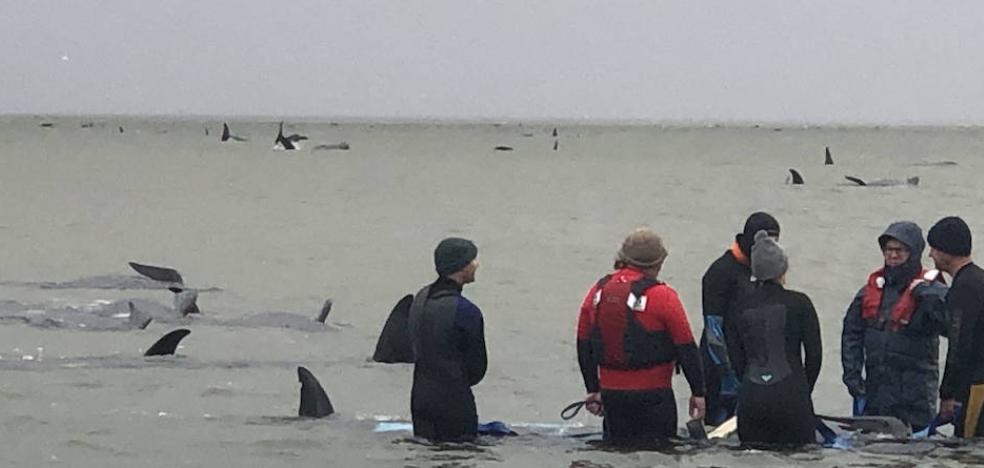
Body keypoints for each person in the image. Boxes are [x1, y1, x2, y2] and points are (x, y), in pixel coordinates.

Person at [576, 227, 705, 444]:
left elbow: (583, 344)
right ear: (658, 263)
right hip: (655, 399)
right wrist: (698, 393)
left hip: (612, 400)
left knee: (615, 454)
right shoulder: (663, 296)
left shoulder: (597, 292)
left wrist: (592, 389)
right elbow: (686, 347)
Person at [840, 221, 947, 430]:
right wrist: (852, 374)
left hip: (915, 395)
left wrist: (928, 296)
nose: (893, 255)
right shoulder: (868, 291)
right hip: (876, 390)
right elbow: (851, 334)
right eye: (889, 250)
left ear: (913, 253)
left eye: (900, 250)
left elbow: (952, 323)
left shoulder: (931, 289)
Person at [727, 230, 822, 447]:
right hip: (792, 397)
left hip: (752, 398)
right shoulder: (800, 303)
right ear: (783, 269)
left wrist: (749, 385)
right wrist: (803, 391)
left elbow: (736, 358)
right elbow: (815, 355)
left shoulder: (738, 306)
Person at [700, 211, 781, 425]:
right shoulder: (720, 272)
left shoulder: (762, 272)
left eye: (775, 242)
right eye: (766, 241)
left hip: (750, 369)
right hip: (720, 370)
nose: (769, 248)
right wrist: (726, 375)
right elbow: (712, 329)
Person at [408, 237, 487, 442]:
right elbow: (477, 370)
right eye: (472, 260)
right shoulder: (467, 311)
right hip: (453, 403)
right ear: (461, 267)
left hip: (420, 400)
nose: (476, 264)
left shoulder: (420, 298)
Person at [930, 217, 984, 437]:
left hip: (976, 386)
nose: (930, 254)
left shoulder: (964, 288)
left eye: (934, 248)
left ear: (946, 251)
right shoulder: (979, 278)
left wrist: (947, 394)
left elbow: (958, 344)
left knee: (968, 446)